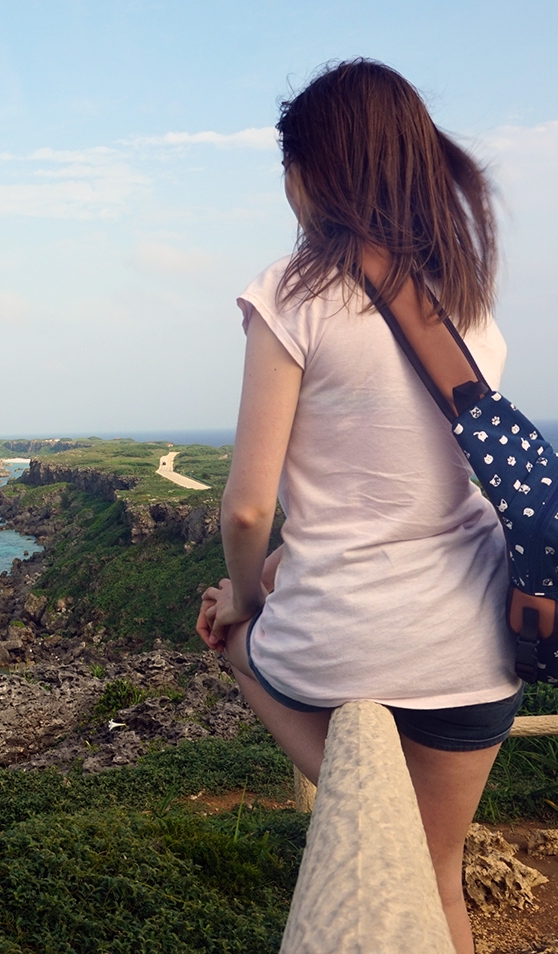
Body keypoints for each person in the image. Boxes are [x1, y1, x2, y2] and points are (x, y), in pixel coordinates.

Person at [196, 59, 521, 954]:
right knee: (437, 873)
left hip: (343, 644)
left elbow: (247, 511)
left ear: (316, 171)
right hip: (478, 642)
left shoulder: (293, 293)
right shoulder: (469, 307)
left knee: (229, 632)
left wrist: (248, 601)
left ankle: (286, 699)